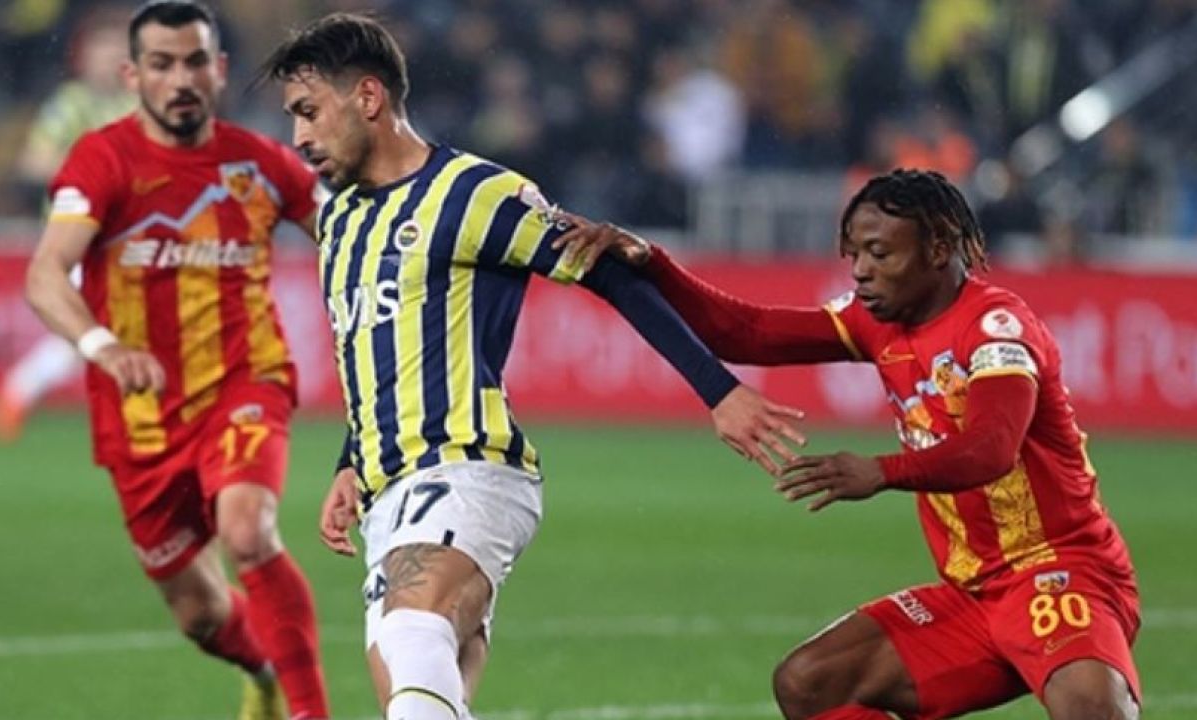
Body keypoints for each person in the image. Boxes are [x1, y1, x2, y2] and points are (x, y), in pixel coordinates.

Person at [257, 13, 805, 720]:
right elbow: (378, 353)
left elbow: (610, 273)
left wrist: (718, 390)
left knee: (412, 632)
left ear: (367, 96)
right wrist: (349, 462)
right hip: (387, 493)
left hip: (467, 468)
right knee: (419, 696)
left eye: (308, 111)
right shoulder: (339, 222)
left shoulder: (473, 193)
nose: (298, 136)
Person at [555, 169, 1141, 720]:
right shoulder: (875, 321)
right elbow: (747, 332)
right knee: (811, 682)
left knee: (1091, 706)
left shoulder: (995, 329)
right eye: (854, 254)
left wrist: (881, 471)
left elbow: (992, 447)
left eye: (880, 254)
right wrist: (654, 264)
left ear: (939, 248)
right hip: (974, 594)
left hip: (1059, 568)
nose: (860, 271)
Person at [23, 3, 330, 718]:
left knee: (249, 530)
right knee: (200, 615)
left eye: (195, 61)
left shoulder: (262, 164)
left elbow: (350, 236)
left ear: (219, 71)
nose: (180, 78)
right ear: (133, 76)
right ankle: (262, 672)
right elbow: (45, 274)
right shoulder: (101, 161)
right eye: (161, 64)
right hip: (142, 420)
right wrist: (103, 346)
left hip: (244, 383)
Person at [0, 5, 138, 443]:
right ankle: (21, 390)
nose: (108, 57)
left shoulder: (138, 105)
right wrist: (96, 173)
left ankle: (21, 392)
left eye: (117, 49)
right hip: (77, 240)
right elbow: (34, 162)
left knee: (105, 331)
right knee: (95, 328)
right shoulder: (70, 104)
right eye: (101, 48)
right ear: (83, 55)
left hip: (129, 239)